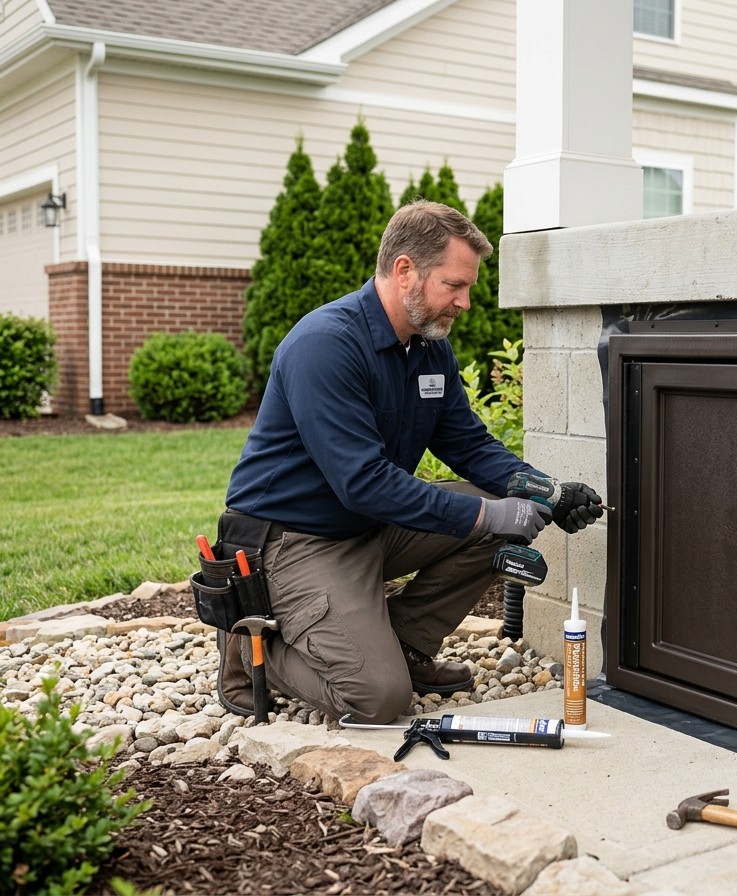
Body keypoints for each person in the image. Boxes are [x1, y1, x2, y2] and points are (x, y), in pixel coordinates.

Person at [214, 199, 603, 724]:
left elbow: (466, 443)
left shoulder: (427, 348)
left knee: (501, 506)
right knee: (376, 700)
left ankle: (404, 646)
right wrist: (490, 515)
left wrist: (546, 492)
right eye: (454, 285)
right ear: (405, 271)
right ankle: (251, 647)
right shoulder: (325, 346)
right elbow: (364, 483)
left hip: (368, 525)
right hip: (293, 540)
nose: (465, 302)